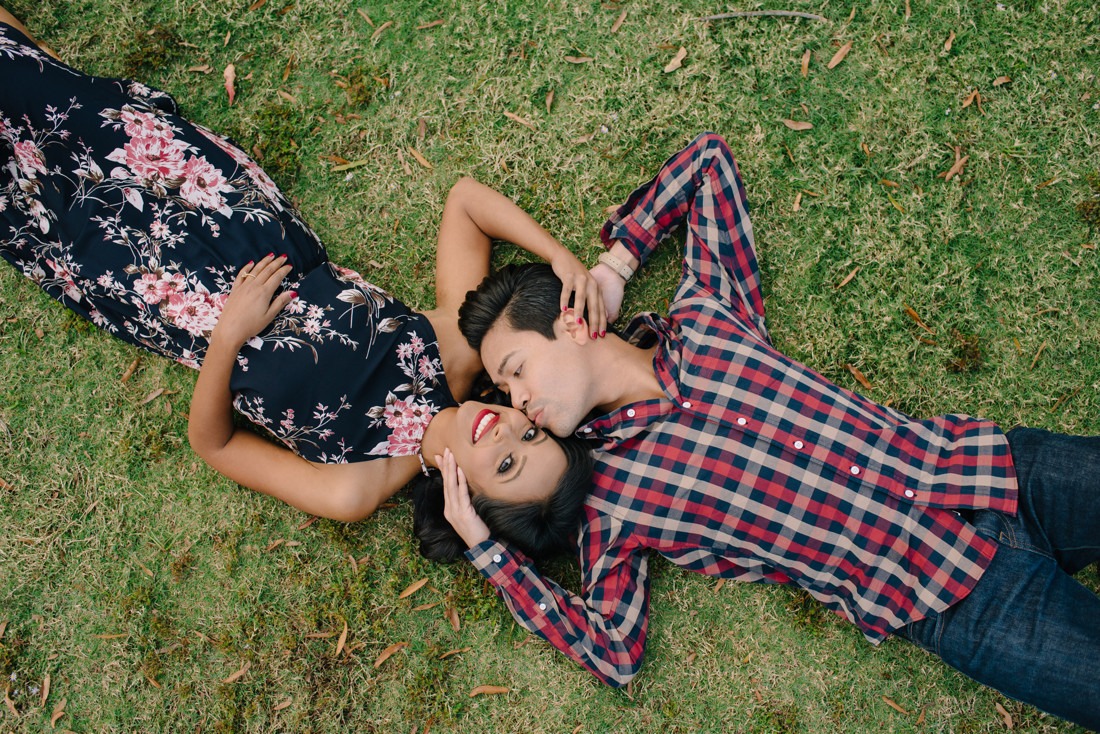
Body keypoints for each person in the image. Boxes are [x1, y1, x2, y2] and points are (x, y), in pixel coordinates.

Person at [444, 132, 1100, 729]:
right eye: (510, 393)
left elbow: (708, 163)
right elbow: (614, 651)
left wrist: (612, 268)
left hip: (999, 471)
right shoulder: (605, 506)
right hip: (948, 602)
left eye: (516, 371)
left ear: (570, 320)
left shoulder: (707, 315)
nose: (520, 403)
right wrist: (487, 551)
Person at [0, 11, 599, 523]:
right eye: (530, 434)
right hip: (231, 207)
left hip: (166, 292)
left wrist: (229, 337)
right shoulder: (463, 349)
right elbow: (467, 204)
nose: (505, 430)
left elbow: (216, 444)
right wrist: (560, 256)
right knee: (58, 96)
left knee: (32, 202)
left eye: (506, 464)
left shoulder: (355, 487)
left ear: (471, 503)